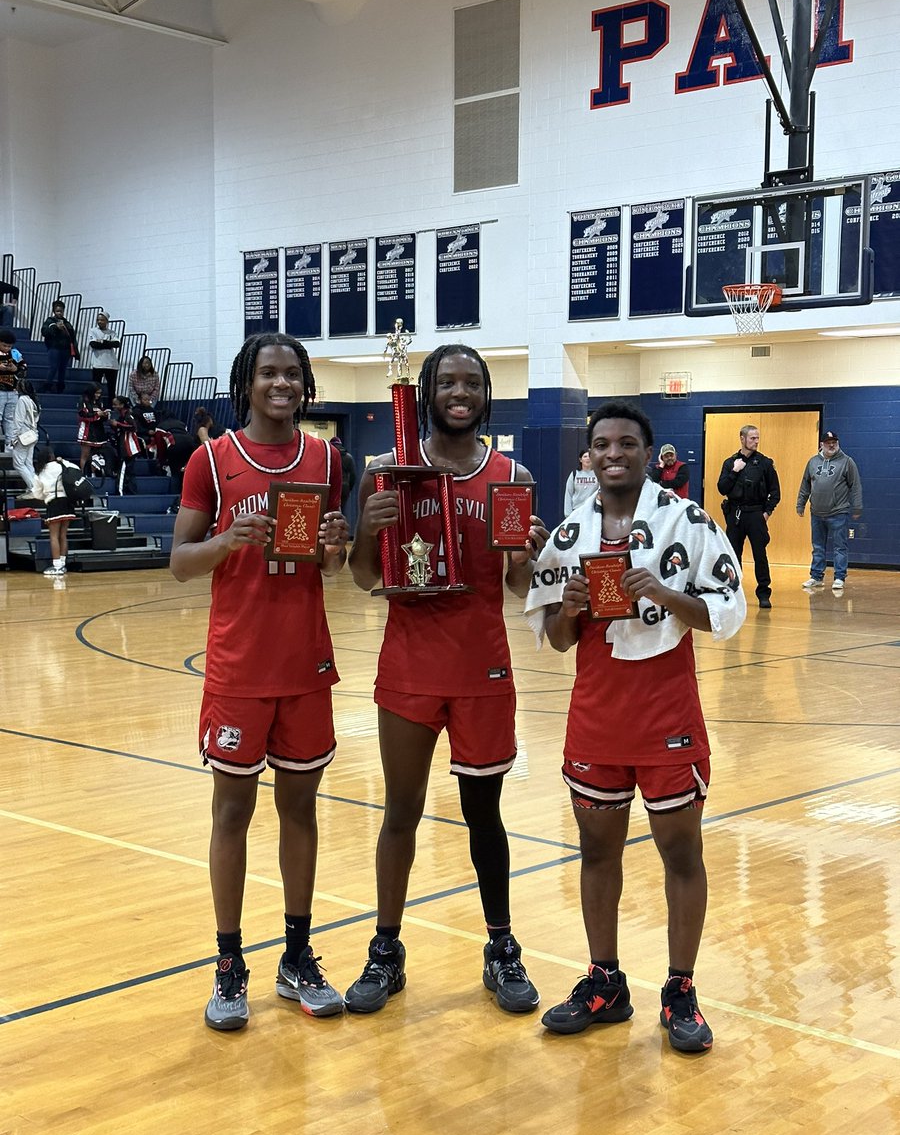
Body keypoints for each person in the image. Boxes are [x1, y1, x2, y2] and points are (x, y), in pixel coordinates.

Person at [525, 401, 745, 1053]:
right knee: (597, 853)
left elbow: (725, 614)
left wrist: (664, 593)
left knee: (681, 853)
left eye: (626, 443)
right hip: (597, 717)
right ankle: (605, 983)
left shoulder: (688, 522)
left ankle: (680, 990)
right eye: (602, 444)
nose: (613, 453)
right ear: (589, 456)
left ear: (649, 455)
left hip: (667, 716)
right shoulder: (571, 534)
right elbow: (557, 639)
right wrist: (568, 609)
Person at [344, 343, 549, 1016]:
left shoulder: (512, 475)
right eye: (448, 382)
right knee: (400, 811)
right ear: (426, 393)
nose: (460, 393)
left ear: (487, 395)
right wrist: (366, 532)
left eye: (473, 383)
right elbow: (365, 577)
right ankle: (385, 949)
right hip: (409, 665)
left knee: (483, 814)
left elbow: (519, 586)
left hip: (482, 667)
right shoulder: (387, 473)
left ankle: (501, 947)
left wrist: (529, 553)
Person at [170, 331, 349, 1032]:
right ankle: (229, 962)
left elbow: (332, 565)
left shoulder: (326, 459)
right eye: (268, 372)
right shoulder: (212, 460)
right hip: (239, 668)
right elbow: (180, 561)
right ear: (247, 382)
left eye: (293, 373)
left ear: (305, 385)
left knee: (300, 811)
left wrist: (334, 548)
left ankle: (297, 956)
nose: (282, 383)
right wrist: (227, 541)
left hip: (304, 663)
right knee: (232, 814)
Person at [716, 424, 780, 609]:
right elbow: (722, 489)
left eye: (757, 438)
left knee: (760, 555)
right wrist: (734, 471)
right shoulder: (730, 462)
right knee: (733, 555)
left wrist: (766, 513)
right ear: (742, 438)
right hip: (735, 514)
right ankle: (734, 592)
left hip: (756, 514)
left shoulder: (765, 463)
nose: (756, 441)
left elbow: (775, 492)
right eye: (752, 438)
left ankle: (763, 593)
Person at [796, 430, 863, 593]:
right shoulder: (812, 462)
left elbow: (855, 486)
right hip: (816, 513)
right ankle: (816, 576)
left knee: (840, 547)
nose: (831, 445)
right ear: (822, 445)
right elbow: (805, 484)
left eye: (834, 442)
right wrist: (800, 504)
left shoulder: (847, 462)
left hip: (838, 512)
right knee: (818, 546)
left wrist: (857, 507)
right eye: (828, 443)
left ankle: (839, 577)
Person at [30, 446, 80, 577]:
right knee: (63, 535)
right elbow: (76, 469)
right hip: (68, 502)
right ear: (52, 456)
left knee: (53, 536)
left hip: (54, 503)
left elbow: (37, 494)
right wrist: (62, 461)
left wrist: (46, 495)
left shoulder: (40, 473)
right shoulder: (62, 465)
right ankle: (62, 564)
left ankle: (57, 566)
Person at [40, 300, 79, 394]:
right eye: (57, 311)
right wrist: (56, 328)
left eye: (61, 311)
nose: (59, 313)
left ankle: (60, 387)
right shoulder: (50, 321)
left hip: (66, 349)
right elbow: (44, 332)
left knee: (63, 369)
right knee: (53, 367)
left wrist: (76, 351)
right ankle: (47, 386)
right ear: (54, 311)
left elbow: (72, 338)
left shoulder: (67, 323)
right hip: (54, 348)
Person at [0, 326, 27, 449]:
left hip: (12, 390)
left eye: (9, 346)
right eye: (4, 345)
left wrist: (15, 369)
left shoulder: (15, 354)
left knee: (10, 419)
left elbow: (24, 367)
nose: (7, 348)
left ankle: (9, 445)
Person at [11, 379, 40, 491]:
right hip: (33, 434)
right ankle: (34, 486)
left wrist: (14, 437)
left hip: (24, 435)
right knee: (28, 463)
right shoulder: (34, 401)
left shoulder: (22, 400)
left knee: (18, 464)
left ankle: (34, 487)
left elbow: (18, 421)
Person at [87, 310, 121, 406]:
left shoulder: (112, 333)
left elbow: (117, 344)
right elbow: (94, 344)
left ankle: (111, 406)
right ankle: (95, 405)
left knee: (112, 388)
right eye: (98, 320)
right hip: (98, 364)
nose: (99, 322)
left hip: (111, 364)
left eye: (102, 320)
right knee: (96, 387)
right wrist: (108, 344)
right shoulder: (93, 331)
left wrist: (102, 342)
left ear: (107, 321)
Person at [109, 396, 140, 495]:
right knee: (128, 471)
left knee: (123, 470)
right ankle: (132, 492)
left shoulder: (128, 416)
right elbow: (121, 429)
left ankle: (120, 492)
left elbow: (134, 427)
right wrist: (113, 425)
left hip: (128, 448)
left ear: (122, 405)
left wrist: (117, 424)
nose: (113, 406)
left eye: (115, 404)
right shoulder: (122, 416)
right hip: (126, 447)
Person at [76, 387, 112, 471]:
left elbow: (102, 417)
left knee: (96, 455)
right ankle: (83, 474)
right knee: (85, 455)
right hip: (87, 430)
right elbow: (83, 415)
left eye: (99, 393)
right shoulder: (83, 401)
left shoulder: (100, 402)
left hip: (98, 430)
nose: (98, 395)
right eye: (96, 393)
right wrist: (97, 414)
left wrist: (105, 415)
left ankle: (93, 473)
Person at [564, 448, 598, 514]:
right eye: (585, 456)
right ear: (580, 460)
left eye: (589, 456)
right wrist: (568, 513)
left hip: (592, 510)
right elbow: (568, 494)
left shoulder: (597, 474)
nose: (587, 458)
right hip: (577, 510)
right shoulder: (574, 474)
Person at [330, 436, 356, 509]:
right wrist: (348, 487)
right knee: (342, 508)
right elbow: (353, 476)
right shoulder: (348, 457)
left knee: (330, 508)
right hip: (344, 487)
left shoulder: (329, 456)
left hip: (332, 486)